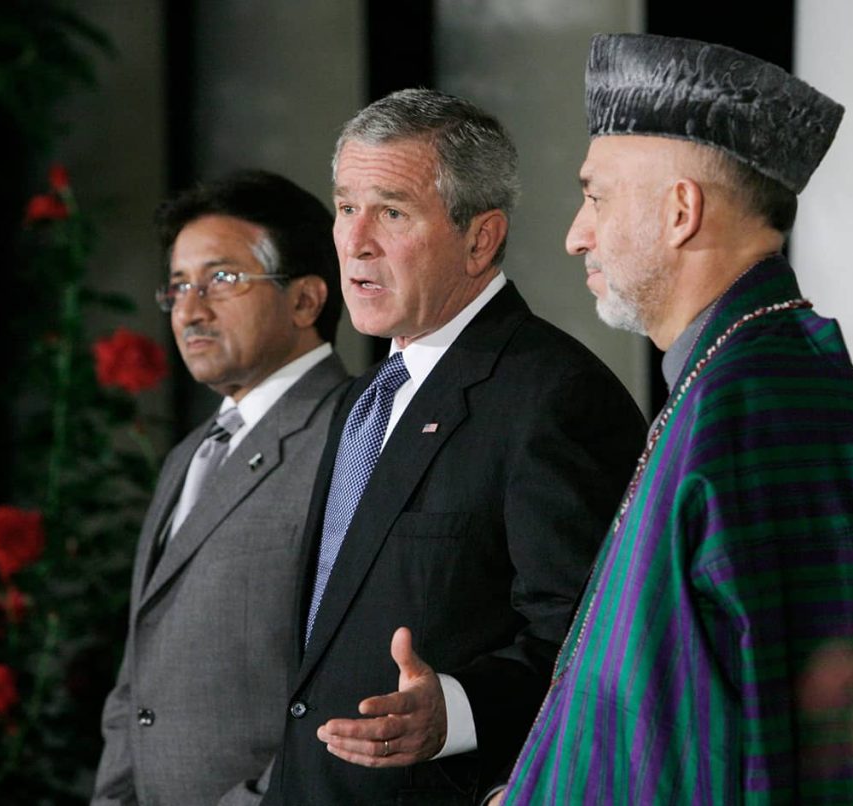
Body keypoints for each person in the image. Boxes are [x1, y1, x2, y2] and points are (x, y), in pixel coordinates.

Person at [496, 34, 853, 804]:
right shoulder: (737, 380)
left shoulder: (762, 405)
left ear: (681, 210)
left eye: (596, 196)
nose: (575, 233)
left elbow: (793, 748)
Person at [260, 89, 647, 805]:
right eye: (346, 207)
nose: (355, 240)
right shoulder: (362, 399)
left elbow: (593, 642)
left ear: (480, 237)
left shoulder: (553, 395)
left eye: (392, 212)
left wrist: (459, 712)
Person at [92, 170, 351, 806]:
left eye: (221, 279)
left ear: (306, 301)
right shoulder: (189, 455)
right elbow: (137, 678)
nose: (189, 309)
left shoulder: (356, 437)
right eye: (178, 286)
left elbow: (351, 680)